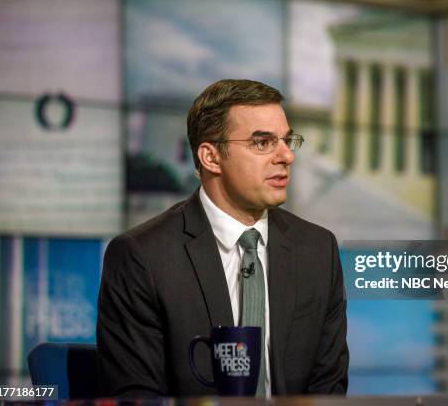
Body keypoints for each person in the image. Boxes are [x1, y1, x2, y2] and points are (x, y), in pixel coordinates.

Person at [96, 79, 349, 397]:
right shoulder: (142, 256)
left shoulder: (317, 250)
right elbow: (136, 395)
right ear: (211, 157)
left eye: (287, 141)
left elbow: (328, 389)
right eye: (262, 143)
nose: (286, 156)